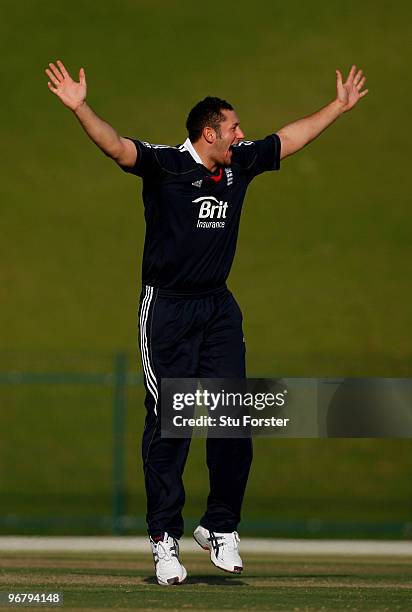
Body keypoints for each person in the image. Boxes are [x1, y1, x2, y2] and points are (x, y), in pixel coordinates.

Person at [45, 60, 368, 585]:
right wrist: (81, 107)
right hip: (168, 309)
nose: (242, 134)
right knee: (172, 425)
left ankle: (220, 527)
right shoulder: (166, 165)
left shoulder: (238, 163)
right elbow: (117, 148)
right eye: (233, 127)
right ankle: (164, 541)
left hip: (217, 308)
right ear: (208, 133)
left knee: (234, 420)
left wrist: (337, 106)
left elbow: (287, 140)